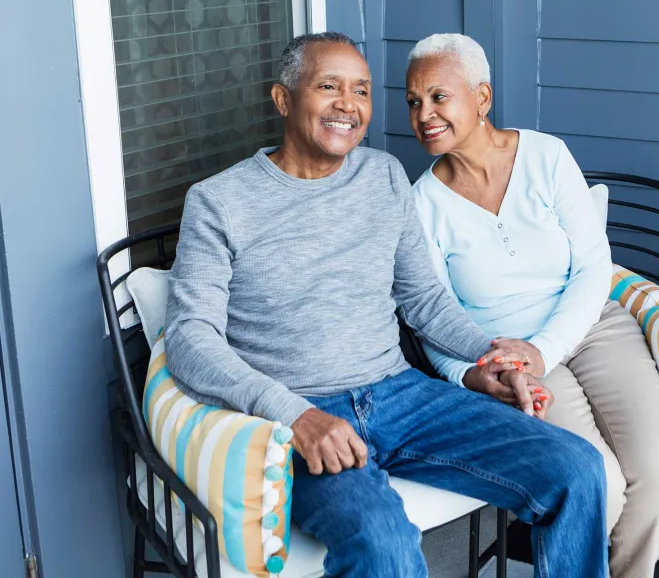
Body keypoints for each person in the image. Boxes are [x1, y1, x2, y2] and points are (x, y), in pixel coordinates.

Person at [165, 31, 608, 578]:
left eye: (362, 91)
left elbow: (421, 297)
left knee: (576, 468)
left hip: (400, 392)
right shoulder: (219, 202)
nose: (348, 105)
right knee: (384, 544)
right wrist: (295, 416)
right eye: (328, 86)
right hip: (302, 411)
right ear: (283, 99)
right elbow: (189, 338)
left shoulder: (383, 176)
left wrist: (491, 358)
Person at [407, 33, 659, 578]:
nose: (425, 114)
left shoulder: (545, 155)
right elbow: (432, 319)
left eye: (439, 96)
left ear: (482, 97)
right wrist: (470, 375)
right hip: (507, 357)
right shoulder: (421, 204)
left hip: (592, 328)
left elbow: (592, 266)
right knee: (594, 482)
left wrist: (545, 347)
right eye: (414, 101)